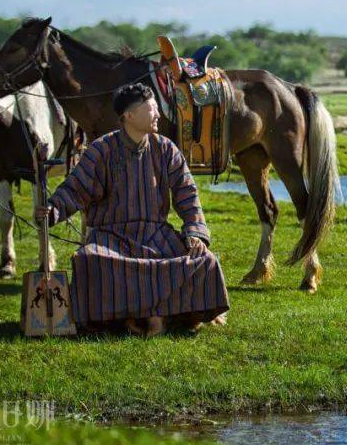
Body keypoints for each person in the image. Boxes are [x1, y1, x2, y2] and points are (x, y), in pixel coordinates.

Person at [34, 83, 229, 336]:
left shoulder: (166, 148)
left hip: (156, 235)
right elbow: (75, 189)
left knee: (204, 260)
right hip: (111, 236)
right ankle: (150, 316)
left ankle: (162, 315)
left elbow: (187, 193)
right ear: (129, 115)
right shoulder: (101, 150)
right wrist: (52, 210)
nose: (158, 114)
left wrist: (195, 231)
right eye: (151, 108)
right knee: (89, 261)